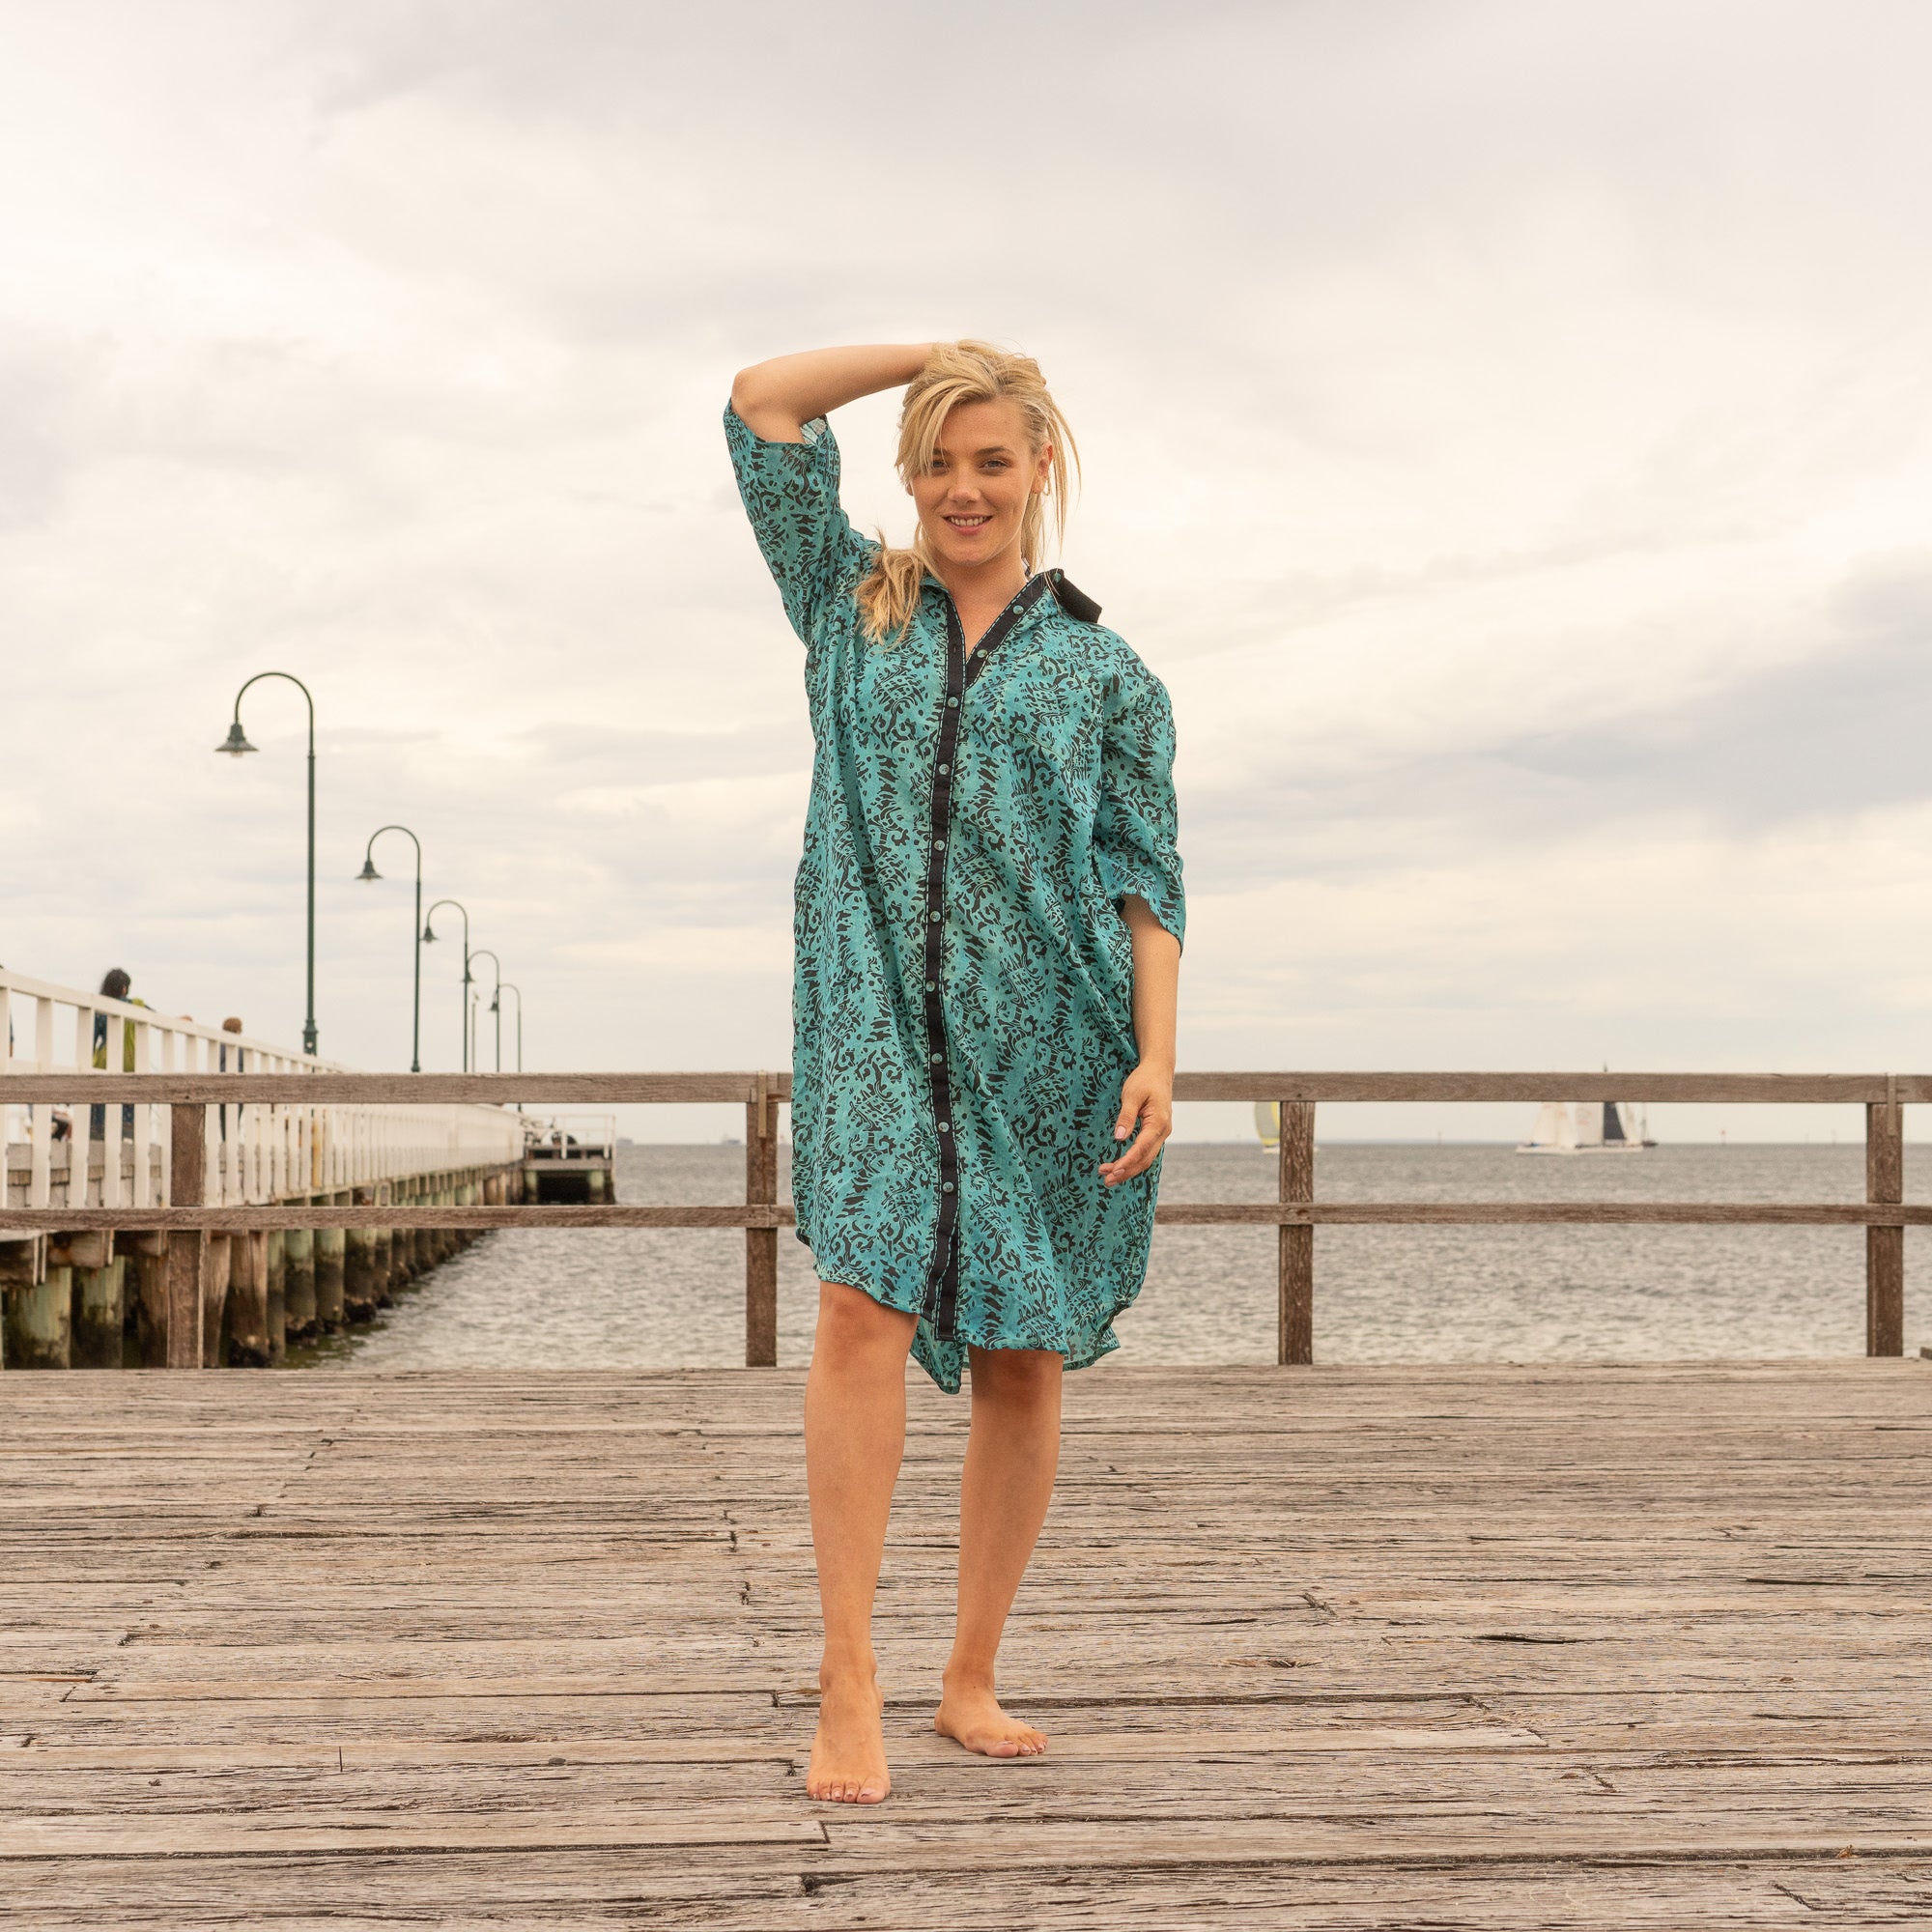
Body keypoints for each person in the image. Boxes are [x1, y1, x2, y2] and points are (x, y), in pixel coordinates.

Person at [726, 342, 1184, 1804]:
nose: (964, 488)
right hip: (869, 1032)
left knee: (1022, 1353)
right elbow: (763, 402)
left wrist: (1162, 1055)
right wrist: (935, 355)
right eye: (939, 459)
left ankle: (970, 1672)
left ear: (1041, 465)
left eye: (994, 458)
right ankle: (846, 1671)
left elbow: (1147, 882)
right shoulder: (847, 605)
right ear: (909, 473)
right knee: (860, 1309)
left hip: (1050, 1042)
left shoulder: (1108, 675)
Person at [90, 967, 147, 1142]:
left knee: (102, 1098)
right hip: (130, 1062)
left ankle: (99, 1131)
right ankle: (128, 1132)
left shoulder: (100, 1007)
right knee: (129, 1099)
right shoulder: (135, 1005)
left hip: (104, 1062)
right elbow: (154, 1016)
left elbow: (91, 1039)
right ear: (124, 988)